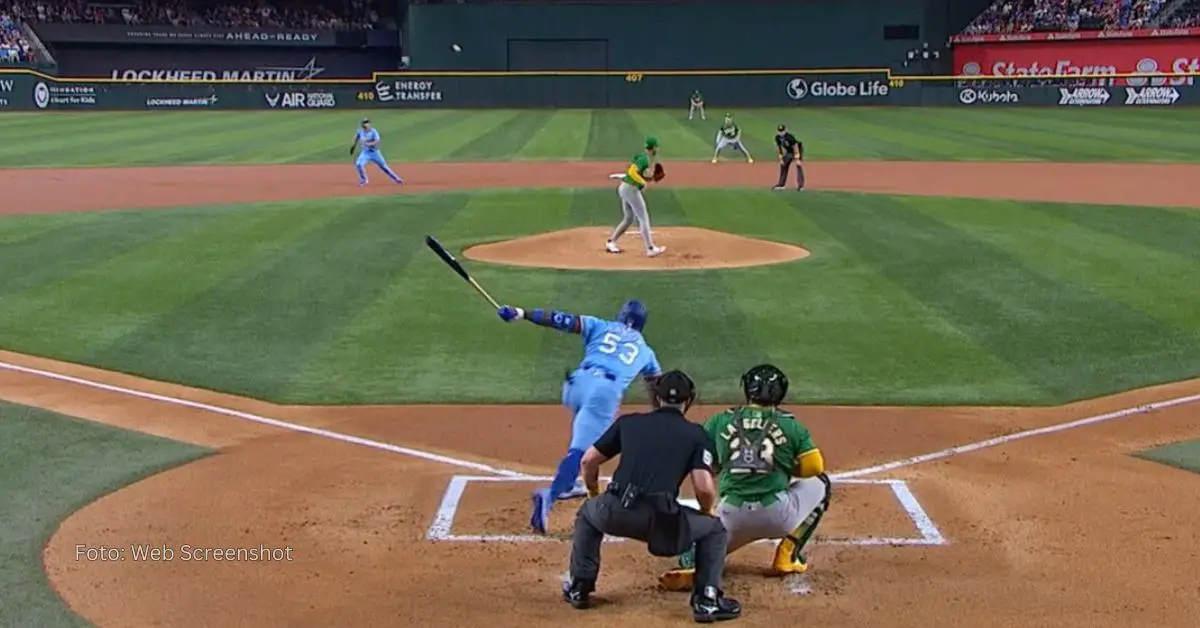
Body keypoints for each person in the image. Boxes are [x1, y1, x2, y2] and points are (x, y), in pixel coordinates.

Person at [563, 370, 742, 623]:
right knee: (714, 531)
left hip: (614, 511)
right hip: (661, 522)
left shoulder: (629, 422)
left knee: (588, 515)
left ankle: (580, 587)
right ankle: (707, 601)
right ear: (688, 400)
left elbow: (588, 461)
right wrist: (706, 513)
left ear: (657, 398)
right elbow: (703, 488)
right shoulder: (696, 435)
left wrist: (594, 494)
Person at [658, 364, 832, 592]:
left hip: (731, 517)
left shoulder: (719, 421)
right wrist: (783, 466)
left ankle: (696, 562)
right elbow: (814, 466)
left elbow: (706, 465)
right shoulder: (790, 424)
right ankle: (787, 554)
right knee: (822, 484)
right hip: (779, 516)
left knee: (694, 543)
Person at [495, 299, 663, 532]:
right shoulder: (646, 352)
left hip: (575, 386)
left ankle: (571, 482)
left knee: (584, 430)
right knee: (581, 452)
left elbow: (558, 319)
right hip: (603, 393)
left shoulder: (600, 326)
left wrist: (521, 313)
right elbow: (656, 387)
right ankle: (552, 494)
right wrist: (661, 416)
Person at [605, 136, 666, 257]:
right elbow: (633, 172)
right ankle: (650, 249)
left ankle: (611, 242)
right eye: (656, 147)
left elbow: (635, 174)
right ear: (653, 148)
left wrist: (649, 179)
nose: (657, 149)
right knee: (643, 218)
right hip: (630, 190)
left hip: (625, 188)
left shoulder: (642, 157)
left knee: (629, 218)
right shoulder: (644, 159)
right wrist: (643, 182)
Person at [350, 118, 403, 187]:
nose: (366, 124)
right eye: (364, 123)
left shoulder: (373, 131)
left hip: (375, 153)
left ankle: (396, 179)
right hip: (365, 153)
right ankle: (364, 180)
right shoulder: (360, 131)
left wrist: (369, 144)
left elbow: (377, 141)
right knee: (358, 164)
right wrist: (353, 147)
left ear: (369, 124)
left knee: (384, 167)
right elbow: (355, 138)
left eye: (367, 123)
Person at [772, 124, 805, 191]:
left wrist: (797, 157)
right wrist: (780, 158)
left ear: (785, 130)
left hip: (797, 150)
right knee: (783, 164)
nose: (781, 133)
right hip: (789, 152)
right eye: (779, 131)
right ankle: (781, 184)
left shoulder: (789, 137)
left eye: (782, 131)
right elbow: (778, 148)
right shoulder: (777, 137)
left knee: (798, 165)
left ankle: (800, 186)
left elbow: (795, 146)